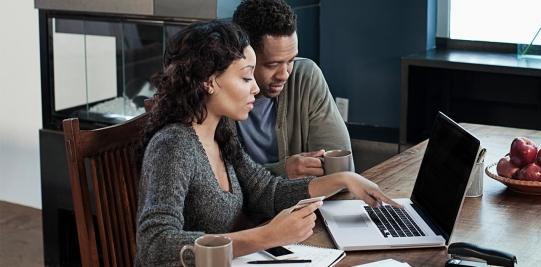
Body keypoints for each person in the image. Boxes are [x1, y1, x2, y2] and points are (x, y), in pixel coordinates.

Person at [135, 20, 398, 266]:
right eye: (246, 77)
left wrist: (343, 179)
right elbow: (154, 244)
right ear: (210, 81)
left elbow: (266, 191)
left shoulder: (220, 132)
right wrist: (265, 237)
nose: (256, 89)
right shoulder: (173, 145)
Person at [232, 0, 352, 178]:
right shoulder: (217, 92)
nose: (284, 74)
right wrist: (283, 171)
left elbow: (340, 167)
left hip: (304, 203)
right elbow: (216, 188)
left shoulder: (305, 76)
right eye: (272, 64)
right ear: (243, 55)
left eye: (290, 61)